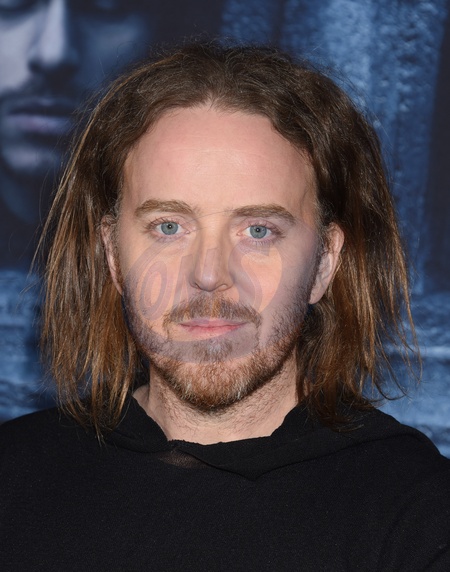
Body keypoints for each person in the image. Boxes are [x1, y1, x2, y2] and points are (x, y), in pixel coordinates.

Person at [1, 41, 449, 570]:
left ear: (324, 264)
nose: (210, 275)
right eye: (169, 227)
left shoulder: (420, 514)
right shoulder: (14, 475)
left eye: (258, 231)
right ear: (113, 255)